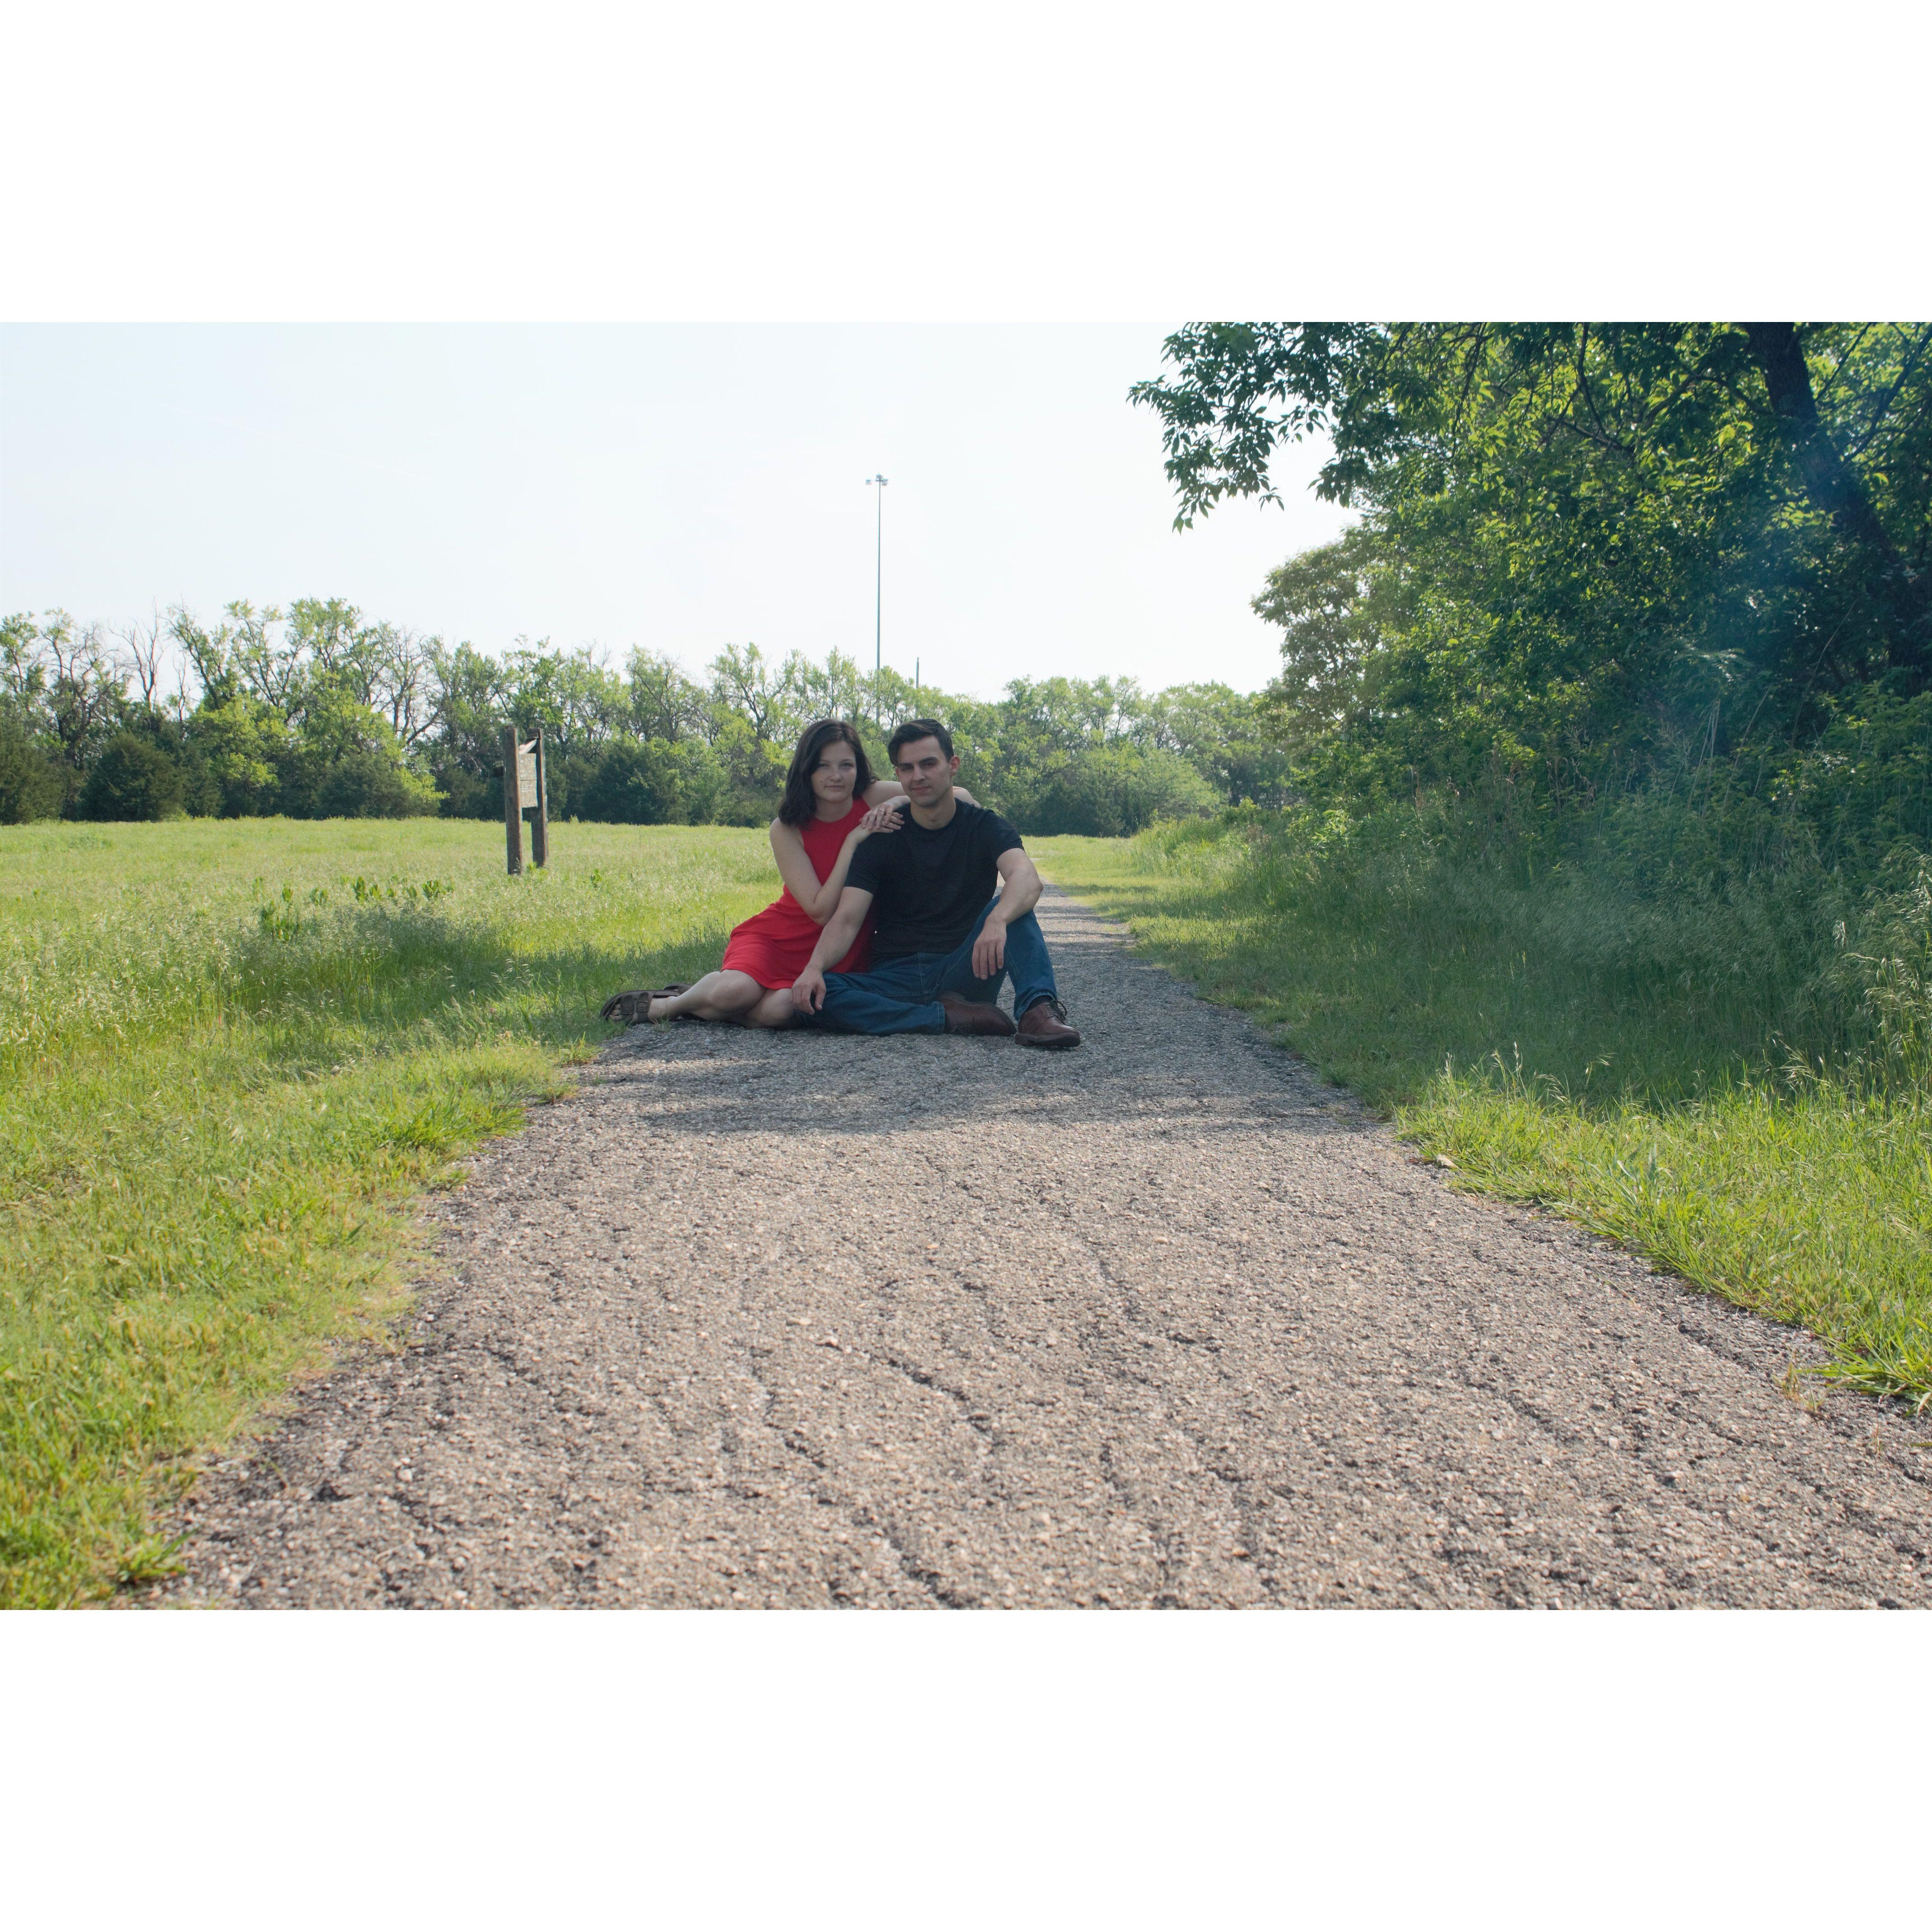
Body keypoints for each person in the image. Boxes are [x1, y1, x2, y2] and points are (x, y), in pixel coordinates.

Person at [600, 718, 975, 1028]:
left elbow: (965, 799)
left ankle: (713, 1003)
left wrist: (898, 800)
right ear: (807, 770)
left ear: (858, 768)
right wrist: (852, 842)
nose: (836, 776)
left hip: (840, 943)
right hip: (781, 936)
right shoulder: (787, 827)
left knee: (782, 1011)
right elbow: (818, 910)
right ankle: (669, 1005)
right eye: (823, 766)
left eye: (846, 765)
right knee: (738, 992)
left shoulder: (873, 795)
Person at [790, 719, 1081, 1048]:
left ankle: (1036, 1012)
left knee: (1015, 910)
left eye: (929, 764)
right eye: (908, 768)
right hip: (897, 975)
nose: (919, 776)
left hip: (965, 969)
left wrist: (997, 920)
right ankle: (946, 1018)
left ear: (952, 765)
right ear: (898, 775)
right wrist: (814, 968)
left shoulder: (984, 826)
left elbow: (1027, 879)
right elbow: (845, 921)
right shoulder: (881, 838)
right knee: (815, 997)